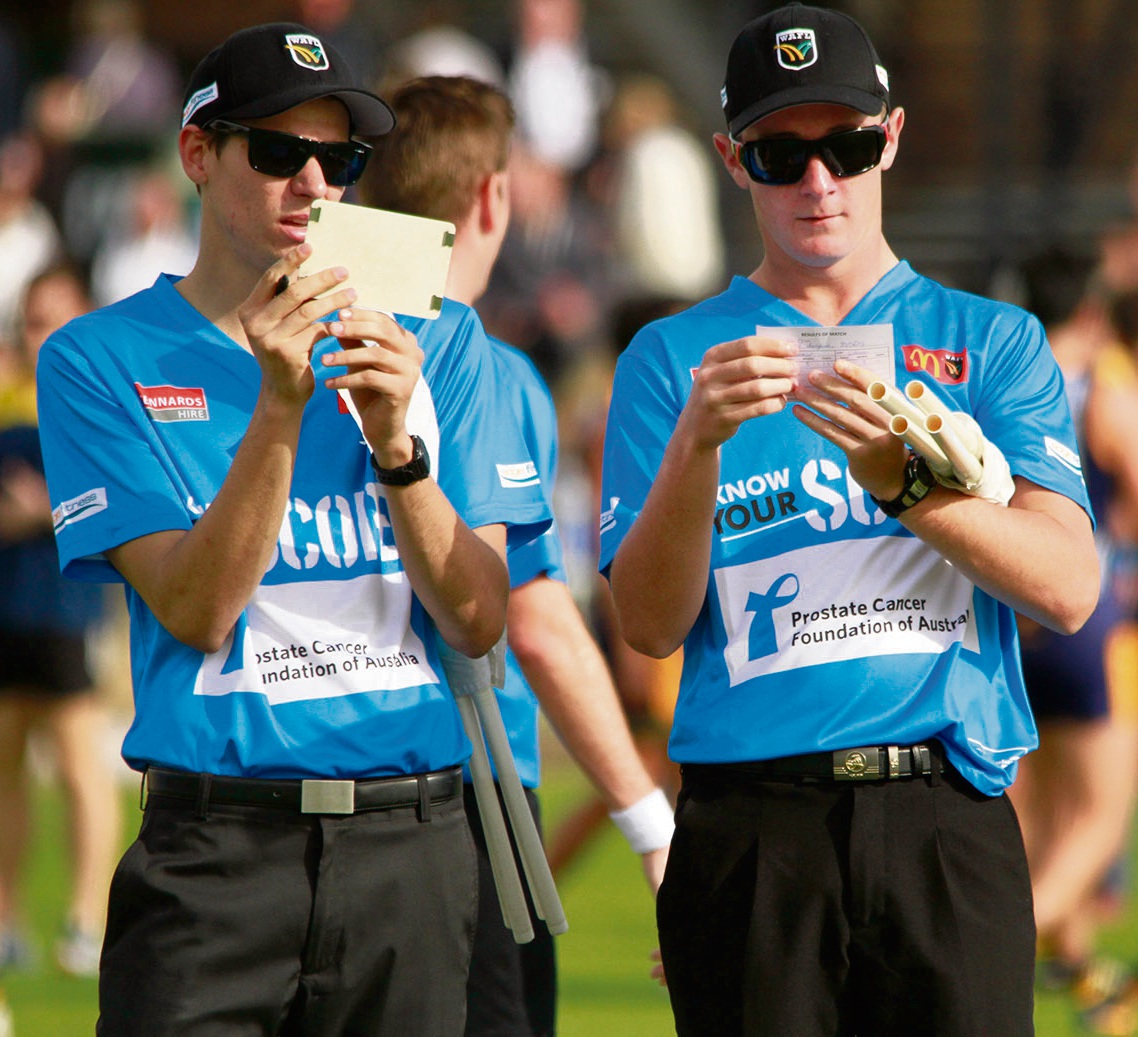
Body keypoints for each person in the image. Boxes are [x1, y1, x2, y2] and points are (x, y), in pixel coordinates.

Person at [34, 22, 551, 1036]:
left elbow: (479, 618)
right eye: (278, 151)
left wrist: (399, 447)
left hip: (411, 843)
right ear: (197, 153)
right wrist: (279, 404)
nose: (313, 184)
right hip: (215, 853)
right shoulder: (98, 357)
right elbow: (196, 609)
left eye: (340, 160)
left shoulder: (439, 335)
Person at [598, 4, 1100, 1035]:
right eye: (780, 154)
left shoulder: (991, 339)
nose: (818, 181)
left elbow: (1066, 587)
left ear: (892, 138)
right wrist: (695, 445)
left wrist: (907, 488)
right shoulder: (672, 358)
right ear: (731, 161)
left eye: (847, 146)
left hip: (945, 814)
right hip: (751, 822)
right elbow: (646, 625)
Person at [358, 74, 673, 1037]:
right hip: (471, 783)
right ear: (493, 197)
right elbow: (534, 619)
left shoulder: (311, 339)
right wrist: (651, 826)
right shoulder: (495, 371)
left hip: (316, 787)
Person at [1011, 248, 1138, 1032]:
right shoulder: (1099, 385)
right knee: (1097, 818)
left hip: (1016, 609)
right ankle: (989, 956)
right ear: (1090, 307)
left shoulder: (1002, 377)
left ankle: (1088, 979)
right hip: (1087, 617)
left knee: (1042, 812)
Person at [0, 264, 122, 981]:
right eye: (30, 320)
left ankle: (87, 922)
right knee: (7, 770)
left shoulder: (97, 405)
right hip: (6, 612)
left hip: (64, 614)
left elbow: (112, 503)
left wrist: (39, 511)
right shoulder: (10, 405)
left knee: (80, 770)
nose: (36, 333)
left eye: (52, 318)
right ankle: (6, 920)